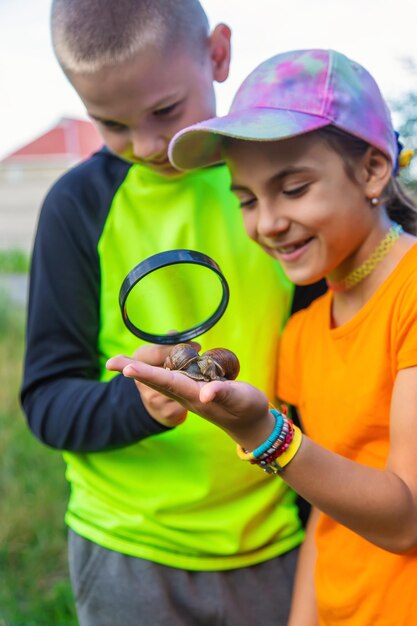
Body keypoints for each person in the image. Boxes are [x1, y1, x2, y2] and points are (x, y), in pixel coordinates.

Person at [19, 3, 322, 625]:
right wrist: (141, 403)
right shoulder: (76, 207)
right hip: (126, 549)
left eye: (164, 111)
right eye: (112, 124)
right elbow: (47, 401)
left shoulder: (276, 185)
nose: (148, 144)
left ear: (217, 54)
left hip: (274, 539)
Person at [108, 48, 417, 625]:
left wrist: (262, 432)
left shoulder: (411, 296)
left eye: (294, 189)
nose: (267, 223)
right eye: (247, 200)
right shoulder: (302, 331)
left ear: (374, 169)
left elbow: (405, 521)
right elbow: (327, 511)